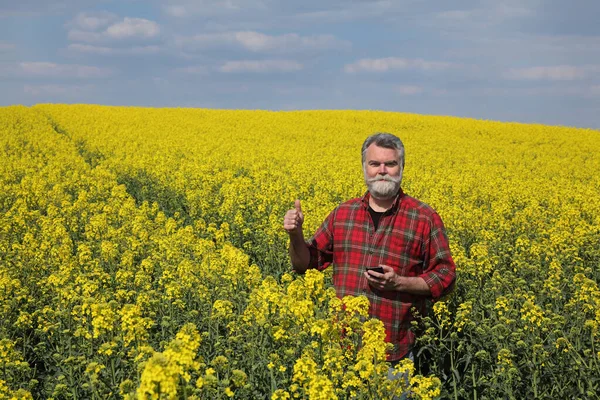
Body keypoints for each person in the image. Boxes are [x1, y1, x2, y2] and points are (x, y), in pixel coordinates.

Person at [283, 132, 456, 366]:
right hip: (342, 351)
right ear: (364, 167)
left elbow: (446, 276)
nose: (382, 170)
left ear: (402, 167)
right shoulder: (342, 214)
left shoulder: (424, 217)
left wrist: (400, 283)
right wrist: (295, 235)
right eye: (374, 163)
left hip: (393, 356)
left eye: (390, 163)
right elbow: (304, 263)